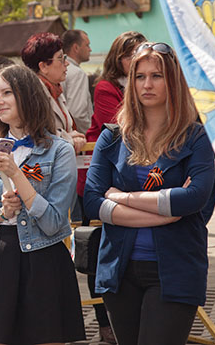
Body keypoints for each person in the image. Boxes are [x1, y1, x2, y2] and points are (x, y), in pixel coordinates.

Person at [83, 42, 215, 345]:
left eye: (156, 76)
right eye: (139, 76)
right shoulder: (112, 136)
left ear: (173, 81)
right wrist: (163, 213)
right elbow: (91, 201)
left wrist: (121, 197)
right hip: (119, 270)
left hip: (175, 270)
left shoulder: (195, 136)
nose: (147, 84)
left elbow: (194, 198)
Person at [0, 64, 85, 345]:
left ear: (27, 95)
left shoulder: (59, 150)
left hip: (43, 260)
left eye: (7, 93)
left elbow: (54, 222)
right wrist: (0, 214)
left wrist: (17, 174)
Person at [78, 31, 147, 343]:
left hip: (141, 178)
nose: (134, 60)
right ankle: (104, 321)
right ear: (118, 58)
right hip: (107, 176)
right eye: (128, 54)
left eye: (139, 52)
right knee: (98, 247)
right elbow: (121, 124)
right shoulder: (106, 86)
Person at [20, 32, 86, 154]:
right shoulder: (32, 95)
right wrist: (69, 138)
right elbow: (38, 135)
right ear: (44, 66)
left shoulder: (56, 90)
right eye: (61, 58)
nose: (67, 63)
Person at [61, 29, 93, 134]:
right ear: (76, 48)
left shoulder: (60, 71)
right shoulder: (77, 73)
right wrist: (89, 134)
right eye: (87, 45)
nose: (90, 49)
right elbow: (78, 113)